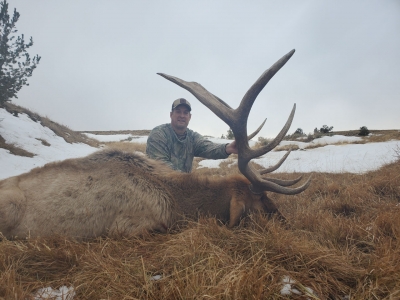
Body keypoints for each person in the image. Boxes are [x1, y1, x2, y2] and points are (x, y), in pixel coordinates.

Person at [146, 98, 237, 172]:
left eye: (185, 113)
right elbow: (161, 166)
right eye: (178, 111)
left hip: (183, 187)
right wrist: (190, 183)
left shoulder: (192, 137)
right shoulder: (159, 134)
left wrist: (228, 148)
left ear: (190, 117)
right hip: (158, 187)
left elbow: (207, 147)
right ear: (171, 114)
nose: (182, 115)